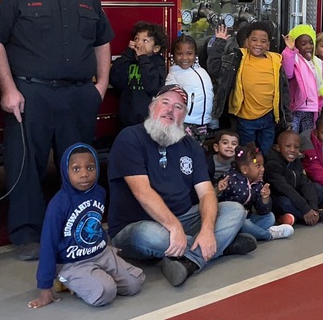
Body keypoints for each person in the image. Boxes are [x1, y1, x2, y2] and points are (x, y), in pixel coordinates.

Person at [0, 0, 113, 261]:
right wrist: (8, 90)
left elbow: (103, 42)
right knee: (25, 166)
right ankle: (27, 236)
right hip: (31, 95)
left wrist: (99, 86)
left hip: (78, 96)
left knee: (80, 165)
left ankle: (80, 228)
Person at [107, 84, 252, 287]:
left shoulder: (191, 146)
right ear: (152, 107)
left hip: (184, 219)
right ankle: (223, 246)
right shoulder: (130, 138)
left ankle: (190, 261)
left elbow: (206, 193)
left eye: (178, 107)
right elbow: (142, 191)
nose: (170, 110)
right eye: (164, 103)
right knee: (150, 235)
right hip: (138, 226)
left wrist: (208, 230)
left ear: (183, 116)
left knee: (235, 210)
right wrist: (173, 226)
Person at [29, 144, 144, 309]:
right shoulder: (58, 204)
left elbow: (94, 222)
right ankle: (67, 280)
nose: (84, 174)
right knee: (106, 292)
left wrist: (107, 244)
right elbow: (48, 244)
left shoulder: (100, 192)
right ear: (65, 171)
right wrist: (44, 287)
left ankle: (92, 279)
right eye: (76, 169)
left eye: (90, 168)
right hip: (72, 262)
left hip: (100, 253)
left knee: (134, 283)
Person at [209, 21, 291, 157]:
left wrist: (286, 117)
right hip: (245, 119)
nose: (259, 44)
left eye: (263, 41)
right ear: (247, 42)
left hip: (269, 118)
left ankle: (262, 176)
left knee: (265, 154)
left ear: (269, 44)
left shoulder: (276, 61)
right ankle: (246, 177)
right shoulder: (238, 58)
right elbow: (214, 68)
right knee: (246, 154)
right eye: (254, 40)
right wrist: (219, 42)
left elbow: (284, 91)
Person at [217, 144, 294, 241]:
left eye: (262, 165)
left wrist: (264, 199)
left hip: (247, 218)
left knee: (270, 217)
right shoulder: (230, 179)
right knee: (245, 224)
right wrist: (218, 190)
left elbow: (262, 211)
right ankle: (269, 234)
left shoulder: (258, 183)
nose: (263, 169)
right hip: (230, 222)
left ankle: (245, 234)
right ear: (245, 169)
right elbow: (215, 201)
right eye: (258, 166)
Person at [264, 130, 323, 226]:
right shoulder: (272, 164)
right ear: (278, 148)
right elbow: (285, 188)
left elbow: (305, 183)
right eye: (288, 146)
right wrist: (305, 209)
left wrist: (312, 208)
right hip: (278, 198)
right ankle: (318, 216)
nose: (293, 150)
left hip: (295, 197)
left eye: (296, 147)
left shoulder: (296, 161)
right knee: (285, 203)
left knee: (316, 190)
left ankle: (312, 214)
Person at [110, 21, 168, 127]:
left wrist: (143, 58)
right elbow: (115, 80)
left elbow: (153, 87)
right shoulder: (129, 59)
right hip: (126, 118)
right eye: (136, 39)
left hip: (149, 120)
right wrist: (127, 54)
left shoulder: (158, 63)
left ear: (156, 48)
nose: (138, 43)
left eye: (145, 40)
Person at [166, 34, 216, 143]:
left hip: (202, 122)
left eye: (189, 54)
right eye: (179, 54)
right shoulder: (173, 73)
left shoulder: (202, 71)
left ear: (195, 55)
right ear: (174, 55)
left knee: (197, 151)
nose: (184, 58)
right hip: (185, 122)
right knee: (184, 152)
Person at [282, 24, 323, 134]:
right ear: (296, 44)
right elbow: (288, 73)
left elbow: (322, 83)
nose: (308, 46)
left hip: (311, 109)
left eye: (311, 42)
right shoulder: (294, 59)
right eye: (303, 44)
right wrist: (289, 50)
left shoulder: (318, 63)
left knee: (307, 137)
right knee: (293, 135)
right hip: (296, 107)